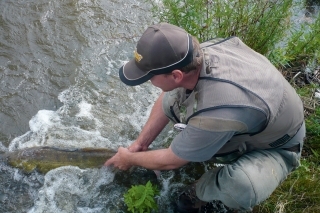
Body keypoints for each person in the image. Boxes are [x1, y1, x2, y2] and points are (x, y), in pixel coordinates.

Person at [105, 22, 305, 212]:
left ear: (176, 75)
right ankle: (203, 146)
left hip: (278, 147)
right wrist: (141, 144)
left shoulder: (219, 110)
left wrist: (129, 158)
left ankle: (200, 193)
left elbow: (172, 161)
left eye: (151, 77)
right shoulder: (196, 54)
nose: (150, 82)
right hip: (254, 117)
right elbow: (167, 96)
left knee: (242, 187)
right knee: (171, 100)